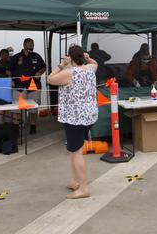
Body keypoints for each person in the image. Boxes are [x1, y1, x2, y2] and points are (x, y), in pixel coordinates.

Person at [48, 45, 98, 200]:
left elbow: (50, 79)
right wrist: (87, 57)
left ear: (70, 58)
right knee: (74, 149)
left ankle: (83, 188)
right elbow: (95, 63)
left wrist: (62, 64)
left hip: (74, 118)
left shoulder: (69, 73)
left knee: (76, 152)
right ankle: (76, 181)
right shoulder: (90, 69)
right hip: (88, 115)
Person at [11, 38, 46, 134]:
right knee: (17, 109)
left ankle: (33, 126)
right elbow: (9, 70)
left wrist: (39, 72)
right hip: (18, 87)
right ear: (24, 45)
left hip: (33, 87)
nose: (32, 46)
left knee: (33, 109)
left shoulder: (36, 56)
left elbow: (43, 67)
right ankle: (16, 127)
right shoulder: (16, 57)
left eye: (33, 45)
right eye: (30, 44)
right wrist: (11, 80)